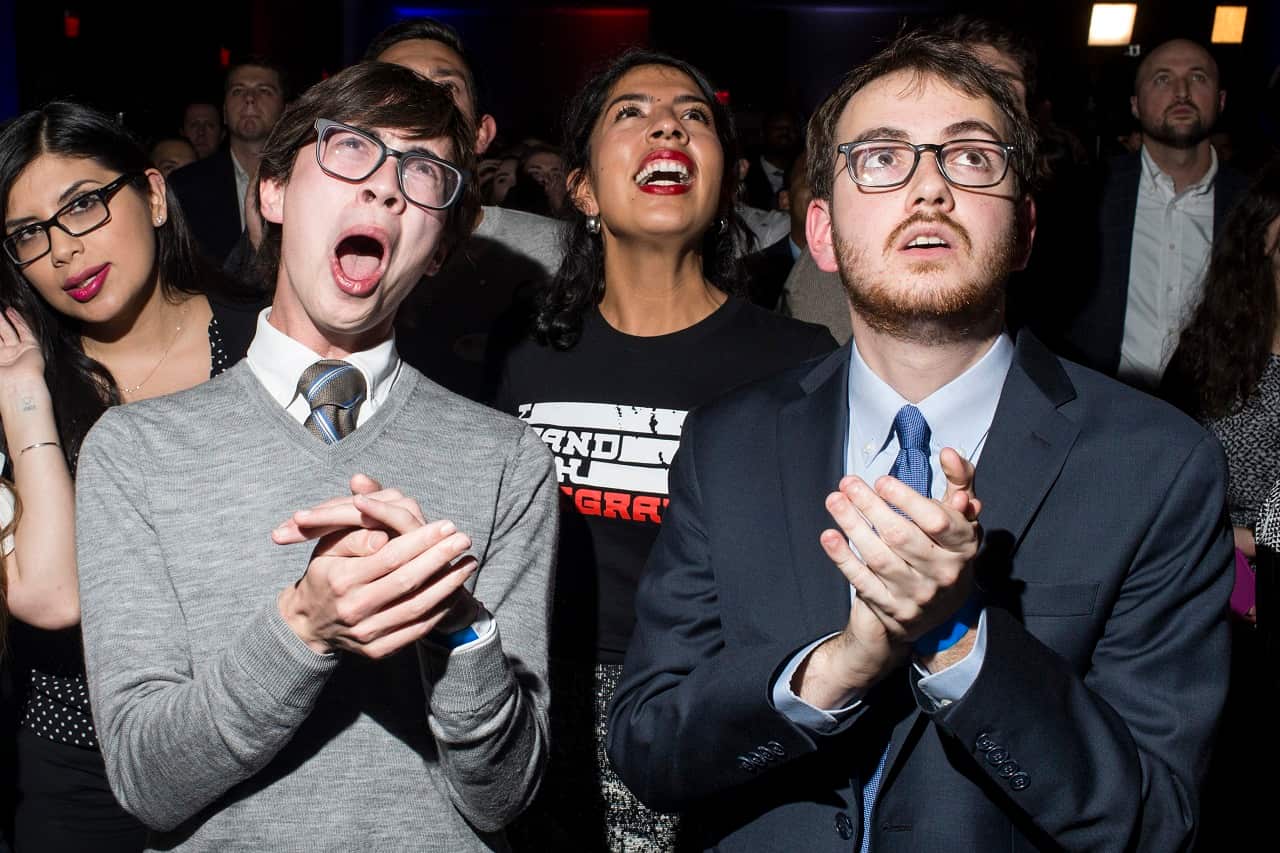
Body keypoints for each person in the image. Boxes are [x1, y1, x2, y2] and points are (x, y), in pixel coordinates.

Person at [607, 29, 1233, 853]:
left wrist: (961, 642)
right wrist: (835, 667)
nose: (929, 188)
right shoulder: (729, 444)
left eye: (971, 159)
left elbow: (1153, 822)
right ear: (822, 233)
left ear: (1025, 228)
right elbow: (649, 748)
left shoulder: (1158, 463)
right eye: (881, 159)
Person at [74, 61, 555, 851]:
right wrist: (302, 626)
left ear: (437, 248)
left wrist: (459, 625)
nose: (386, 189)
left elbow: (502, 799)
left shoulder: (507, 458)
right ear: (273, 194)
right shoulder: (135, 452)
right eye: (351, 151)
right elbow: (147, 784)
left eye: (425, 173)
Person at [495, 49, 835, 852]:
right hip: (543, 711)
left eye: (693, 114)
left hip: (714, 710)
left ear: (727, 182)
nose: (667, 125)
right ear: (580, 187)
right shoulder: (513, 356)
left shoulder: (803, 362)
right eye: (631, 112)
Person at [0, 100, 260, 852]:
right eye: (28, 233)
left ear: (151, 194)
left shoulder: (267, 342)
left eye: (82, 205)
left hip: (249, 737)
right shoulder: (22, 379)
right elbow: (47, 594)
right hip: (73, 756)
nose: (63, 251)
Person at [365, 17, 566, 401]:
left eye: (445, 88)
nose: (421, 102)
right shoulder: (329, 247)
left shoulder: (557, 251)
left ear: (480, 133)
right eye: (397, 84)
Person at [1065, 37, 1248, 387]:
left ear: (1221, 100)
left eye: (1198, 78)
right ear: (1135, 105)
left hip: (1215, 411)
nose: (1181, 92)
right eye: (1162, 79)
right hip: (1104, 406)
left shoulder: (1251, 205)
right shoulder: (1087, 195)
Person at [169, 59, 286, 264]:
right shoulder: (184, 186)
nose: (250, 98)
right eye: (238, 91)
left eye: (264, 90)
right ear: (224, 112)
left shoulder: (306, 183)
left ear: (285, 110)